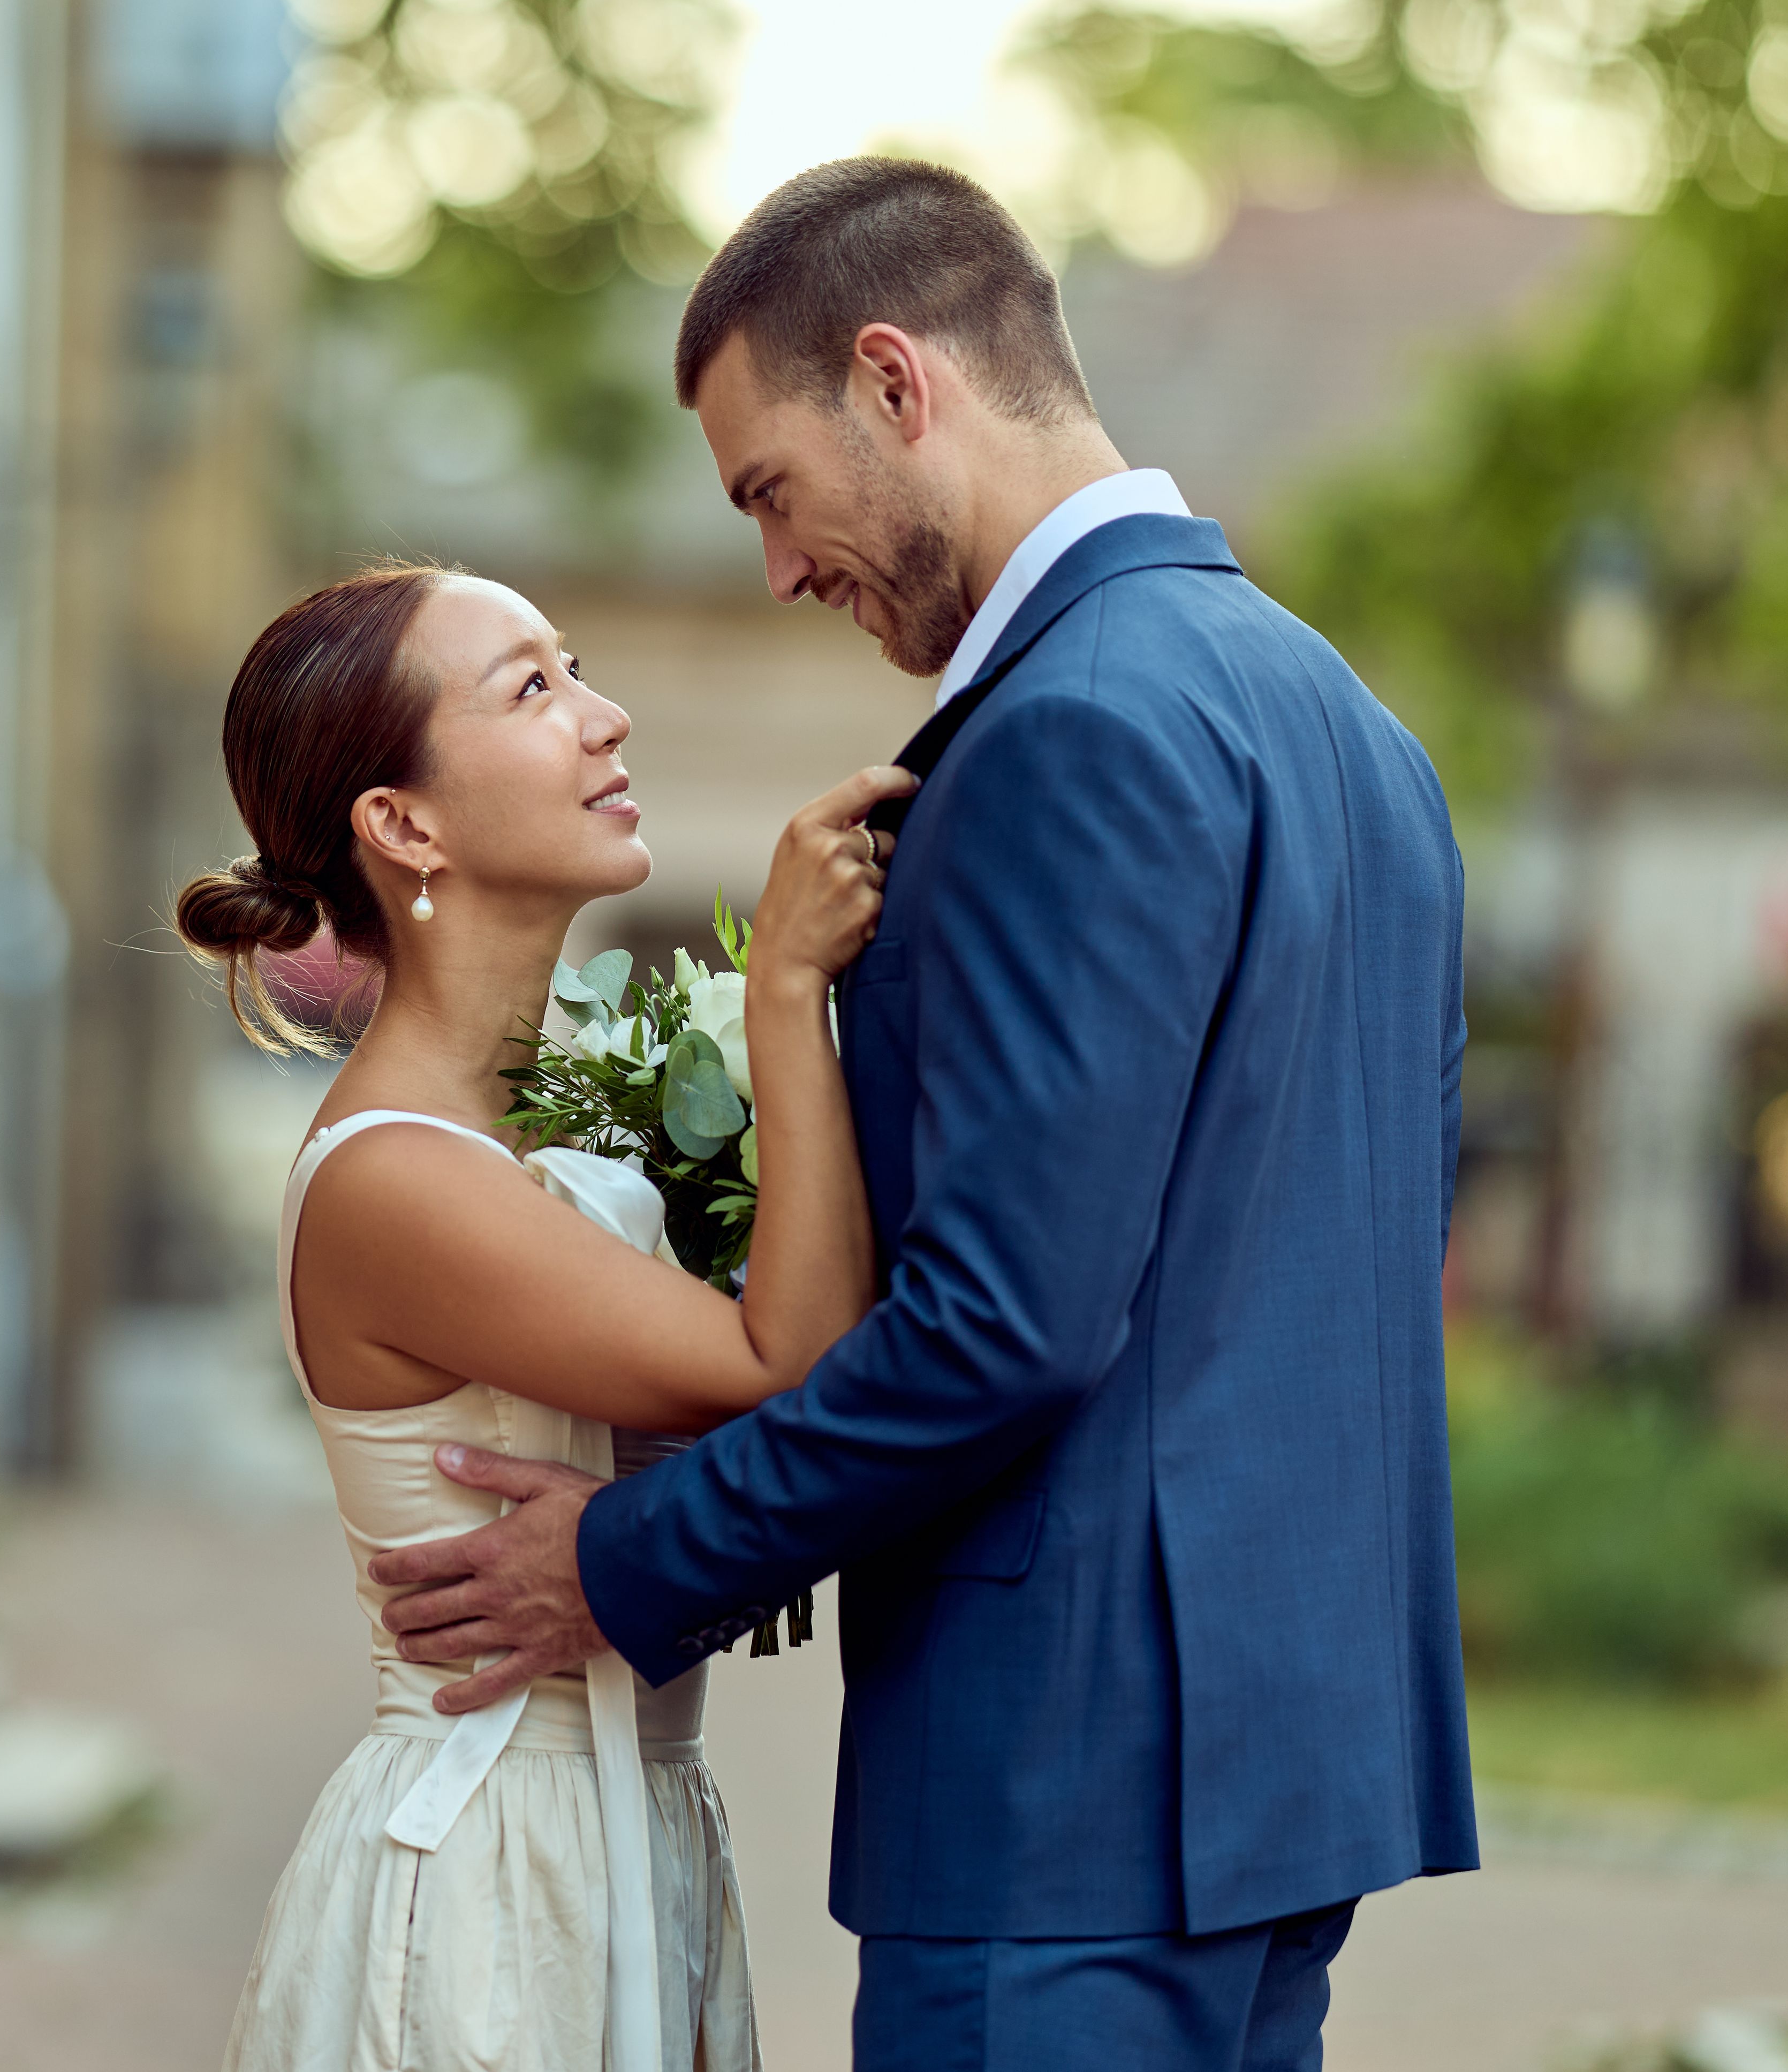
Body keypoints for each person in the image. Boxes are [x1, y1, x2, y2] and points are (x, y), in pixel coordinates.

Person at [362, 157, 1481, 2072]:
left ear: (896, 381)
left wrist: (630, 1561)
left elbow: (1008, 1324)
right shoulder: (1349, 727)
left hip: (1069, 1792)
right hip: (1283, 1783)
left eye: (768, 493)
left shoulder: (1070, 733)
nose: (781, 570)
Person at [175, 561, 913, 2072]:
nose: (605, 716)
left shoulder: (554, 1126)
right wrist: (781, 991)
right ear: (404, 823)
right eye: (533, 689)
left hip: (639, 1825)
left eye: (576, 670)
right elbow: (793, 1369)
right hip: (497, 1880)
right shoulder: (395, 1178)